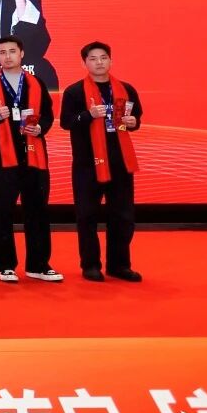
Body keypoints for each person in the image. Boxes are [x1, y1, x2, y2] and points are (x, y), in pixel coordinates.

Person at [0, 37, 60, 283]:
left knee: (38, 211)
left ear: (22, 54)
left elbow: (48, 115)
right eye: (2, 52)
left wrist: (41, 128)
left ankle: (38, 265)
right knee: (1, 212)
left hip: (34, 155)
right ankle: (4, 265)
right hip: (3, 157)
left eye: (12, 51)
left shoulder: (36, 82)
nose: (7, 56)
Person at [60, 41, 143, 283]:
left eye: (103, 57)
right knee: (87, 216)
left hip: (120, 162)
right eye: (93, 59)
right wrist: (88, 115)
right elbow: (66, 122)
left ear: (110, 60)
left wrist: (133, 123)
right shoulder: (74, 92)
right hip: (88, 164)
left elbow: (136, 118)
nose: (99, 62)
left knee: (123, 216)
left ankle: (119, 265)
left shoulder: (126, 89)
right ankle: (90, 265)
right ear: (84, 63)